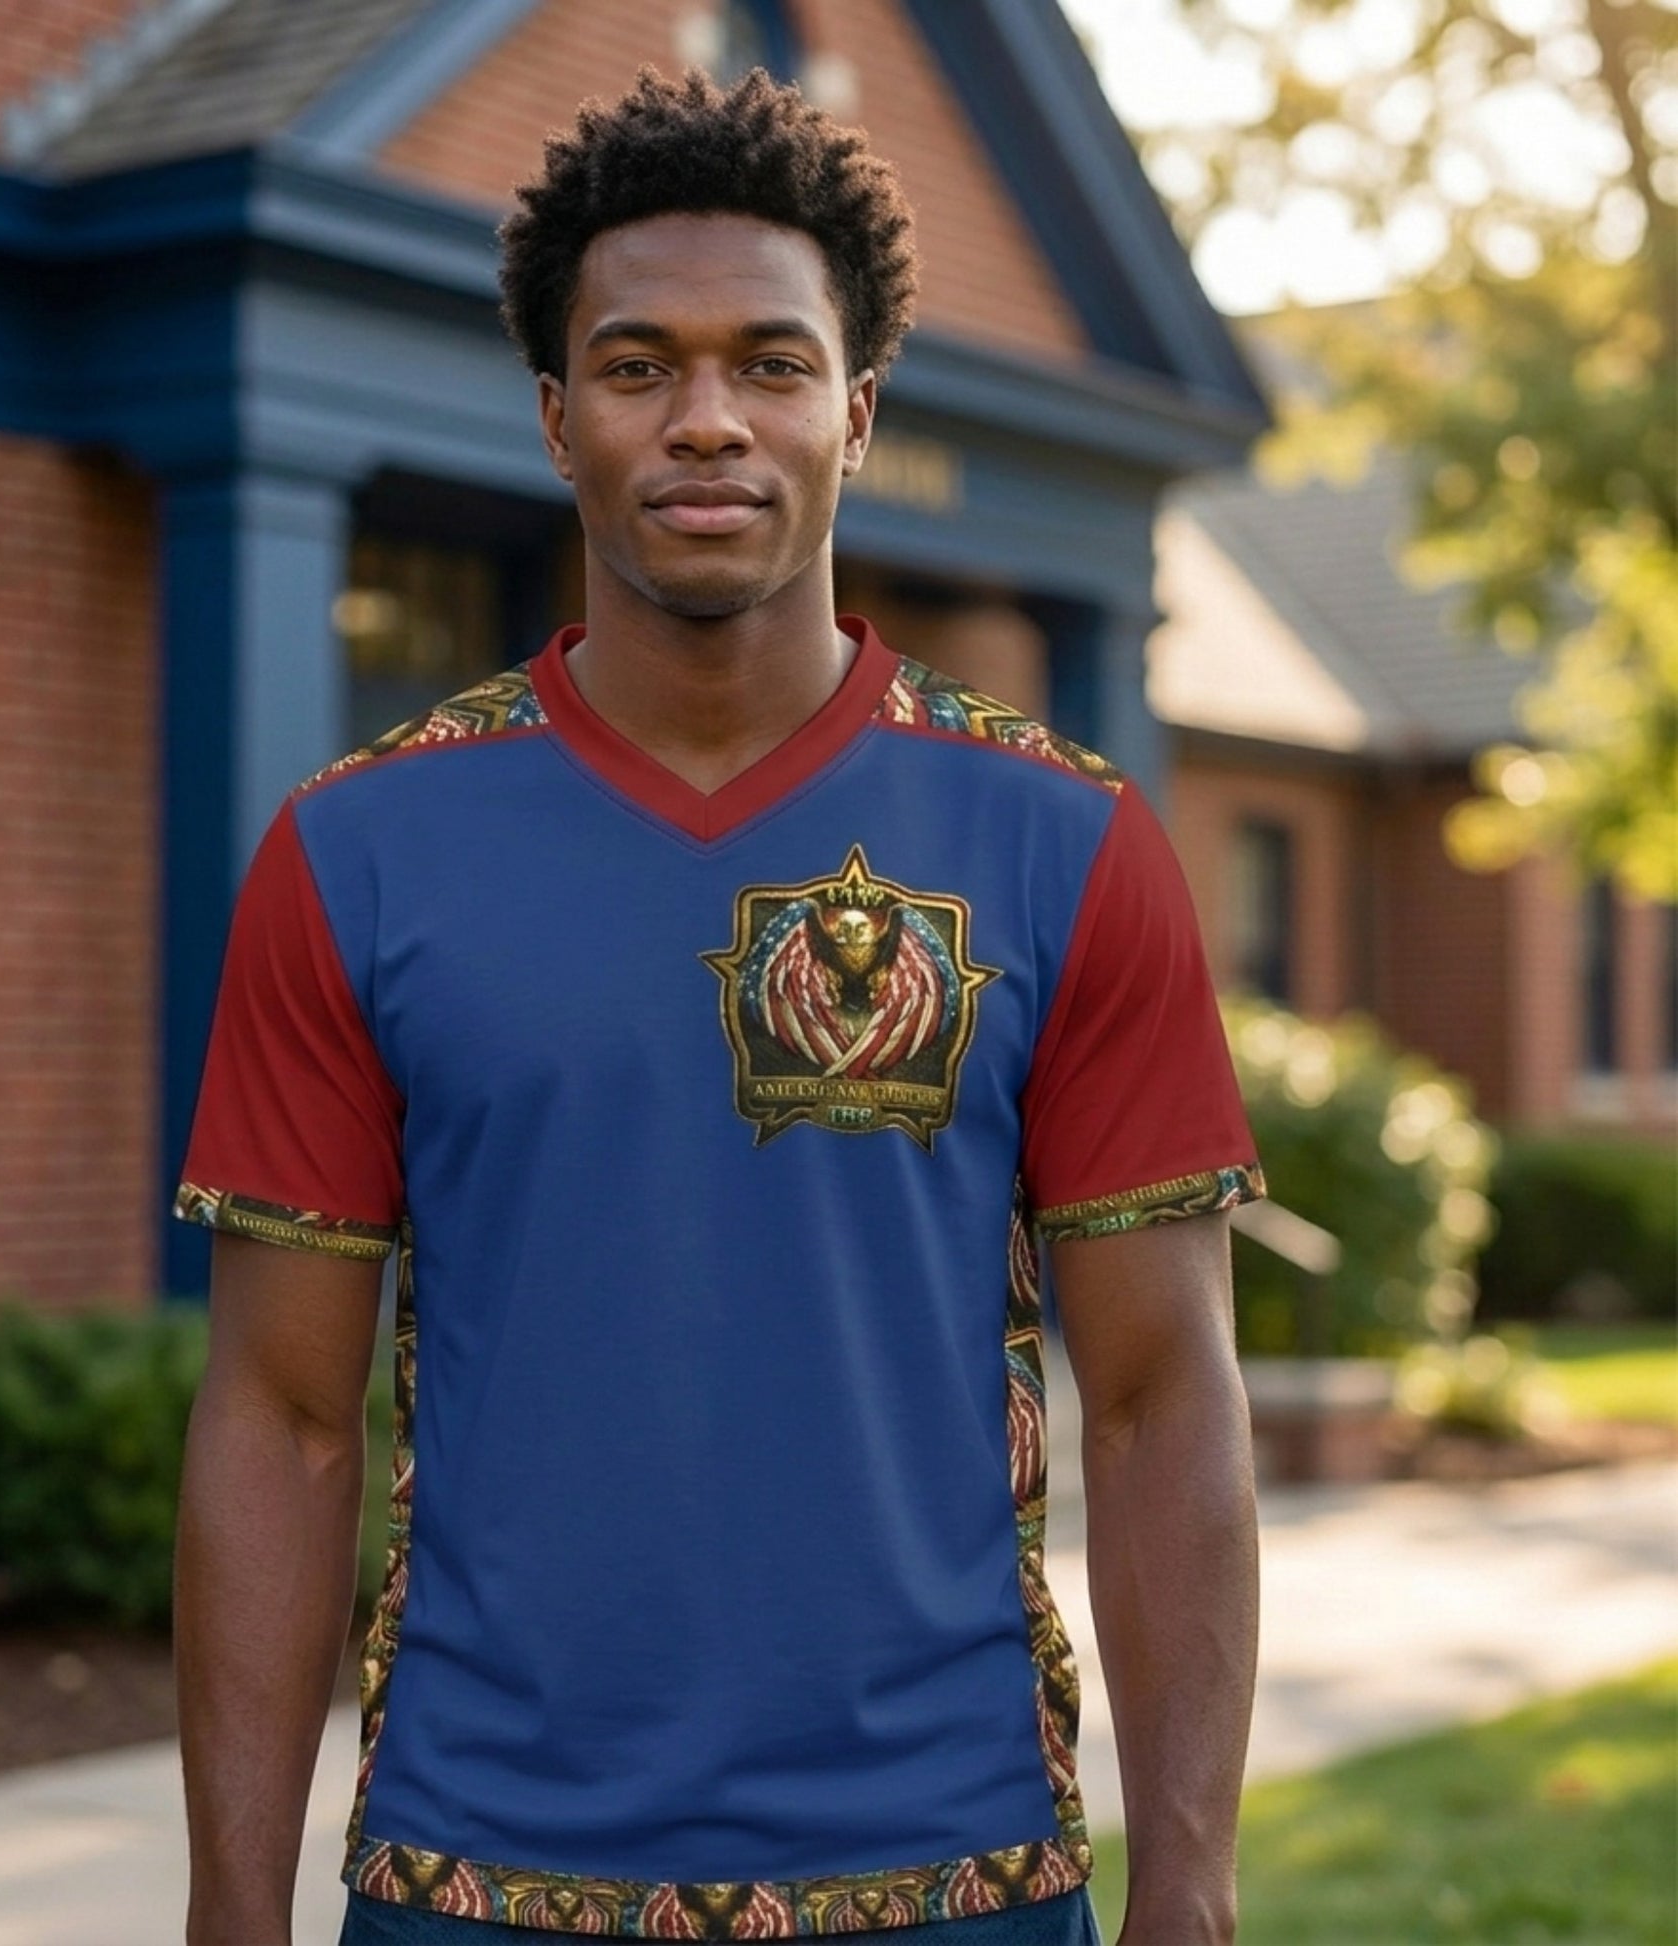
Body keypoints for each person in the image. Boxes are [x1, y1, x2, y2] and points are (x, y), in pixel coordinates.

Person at [172, 66, 1262, 1946]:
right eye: (635, 365)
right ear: (554, 420)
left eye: (767, 363)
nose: (705, 422)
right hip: (476, 1877)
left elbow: (1165, 1404)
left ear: (854, 410)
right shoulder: (357, 853)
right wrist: (227, 1913)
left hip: (955, 1874)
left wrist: (1187, 1887)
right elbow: (279, 1419)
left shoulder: (1062, 840)